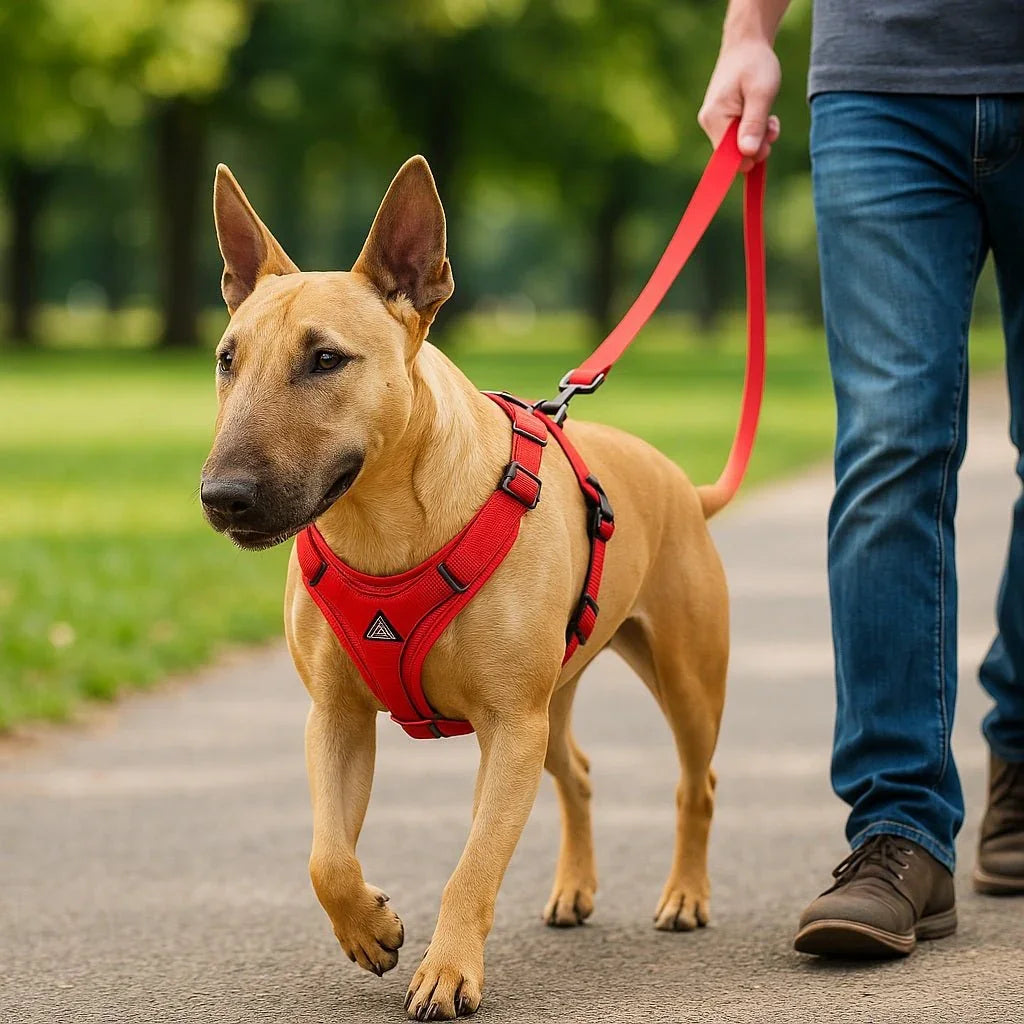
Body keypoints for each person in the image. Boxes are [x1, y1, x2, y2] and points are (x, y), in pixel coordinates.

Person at [699, 0, 1024, 957]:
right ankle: (899, 828)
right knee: (889, 447)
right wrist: (747, 32)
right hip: (881, 81)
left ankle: (1021, 744)